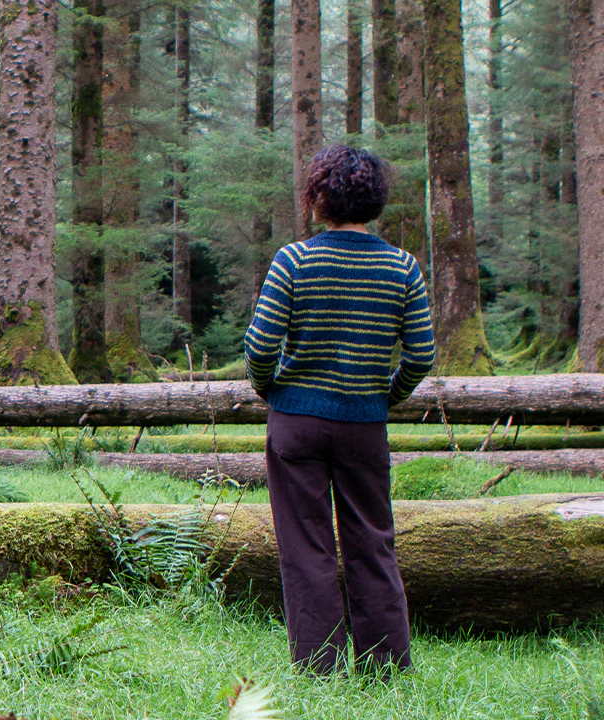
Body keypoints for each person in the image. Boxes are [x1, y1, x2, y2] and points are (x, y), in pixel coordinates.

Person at [244, 145, 435, 675]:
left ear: (318, 199)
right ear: (374, 200)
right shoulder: (402, 267)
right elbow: (421, 355)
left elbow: (259, 348)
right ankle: (386, 667)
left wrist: (273, 390)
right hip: (364, 426)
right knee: (372, 542)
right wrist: (385, 397)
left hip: (296, 425)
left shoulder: (294, 260)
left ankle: (319, 669)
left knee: (305, 547)